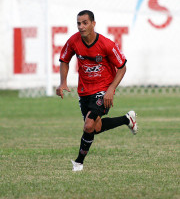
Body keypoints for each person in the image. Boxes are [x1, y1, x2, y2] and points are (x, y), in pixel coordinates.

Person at [56, 10, 138, 171]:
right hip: (85, 91)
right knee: (96, 128)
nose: (81, 26)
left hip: (103, 89)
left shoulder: (106, 44)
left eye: (85, 23)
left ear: (93, 24)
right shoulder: (73, 41)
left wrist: (110, 90)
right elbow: (64, 59)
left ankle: (79, 163)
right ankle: (127, 119)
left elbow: (122, 67)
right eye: (78, 23)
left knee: (88, 126)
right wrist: (62, 82)